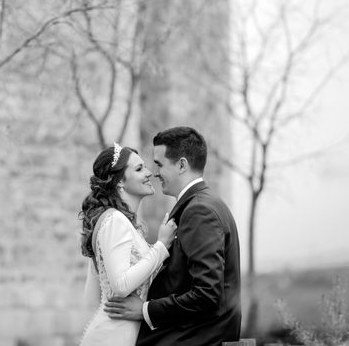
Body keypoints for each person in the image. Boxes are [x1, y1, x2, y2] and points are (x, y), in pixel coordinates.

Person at [104, 127, 242, 346]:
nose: (154, 172)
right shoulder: (202, 203)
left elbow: (207, 294)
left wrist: (145, 310)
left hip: (198, 339)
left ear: (181, 165)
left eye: (159, 164)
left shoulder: (200, 211)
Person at [79, 143, 178, 346]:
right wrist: (161, 246)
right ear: (119, 182)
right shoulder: (115, 220)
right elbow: (120, 286)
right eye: (139, 169)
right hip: (112, 337)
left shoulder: (121, 222)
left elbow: (92, 295)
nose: (150, 172)